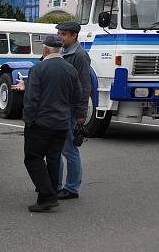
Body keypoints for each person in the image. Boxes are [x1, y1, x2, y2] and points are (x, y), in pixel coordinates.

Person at [22, 35, 87, 212]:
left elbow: (31, 99)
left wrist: (28, 121)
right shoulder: (70, 70)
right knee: (53, 158)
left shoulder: (39, 69)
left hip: (41, 123)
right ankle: (48, 195)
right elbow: (78, 96)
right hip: (62, 123)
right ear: (59, 50)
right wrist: (77, 115)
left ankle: (48, 195)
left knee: (33, 158)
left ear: (44, 50)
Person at [55, 21, 92, 200]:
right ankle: (58, 185)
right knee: (60, 149)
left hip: (71, 110)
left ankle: (71, 188)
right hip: (61, 108)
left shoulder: (80, 56)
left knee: (69, 150)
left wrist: (81, 115)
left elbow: (85, 87)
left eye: (63, 34)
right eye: (59, 33)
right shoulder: (63, 52)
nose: (60, 37)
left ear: (74, 36)